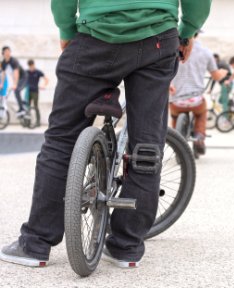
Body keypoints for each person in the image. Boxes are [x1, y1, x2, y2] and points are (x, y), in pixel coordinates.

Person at [0, 0, 211, 268]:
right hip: (157, 39)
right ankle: (127, 247)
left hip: (96, 35)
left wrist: (66, 31)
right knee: (146, 146)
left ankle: (36, 244)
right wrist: (188, 29)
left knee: (61, 141)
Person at [170, 34, 227, 155]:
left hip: (176, 101)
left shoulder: (172, 49)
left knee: (174, 116)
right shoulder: (206, 52)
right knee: (201, 114)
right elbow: (216, 75)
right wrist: (223, 73)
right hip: (196, 101)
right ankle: (200, 138)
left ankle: (176, 141)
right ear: (197, 34)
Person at [0, 46, 27, 116]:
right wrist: (1, 84)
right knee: (14, 92)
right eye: (6, 51)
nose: (8, 53)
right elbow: (3, 74)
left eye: (9, 51)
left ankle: (22, 109)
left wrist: (15, 84)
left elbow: (16, 72)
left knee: (16, 90)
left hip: (23, 78)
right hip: (17, 79)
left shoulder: (14, 61)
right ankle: (23, 104)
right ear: (3, 53)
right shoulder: (3, 63)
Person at [26, 59, 49, 127]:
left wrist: (43, 86)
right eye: (30, 66)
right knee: (28, 107)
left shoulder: (38, 72)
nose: (31, 67)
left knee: (35, 106)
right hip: (28, 91)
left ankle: (38, 122)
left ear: (34, 65)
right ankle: (28, 121)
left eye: (32, 66)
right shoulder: (26, 72)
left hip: (35, 91)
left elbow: (46, 79)